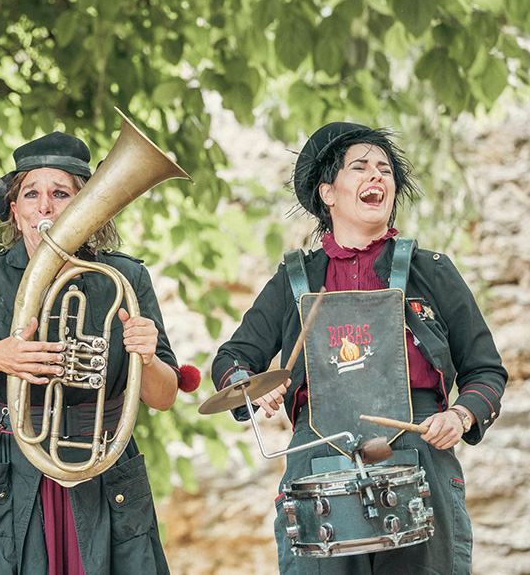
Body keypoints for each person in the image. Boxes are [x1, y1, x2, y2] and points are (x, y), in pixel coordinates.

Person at [212, 122, 507, 575]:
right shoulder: (295, 280)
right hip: (317, 464)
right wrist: (248, 386)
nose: (378, 177)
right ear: (328, 193)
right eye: (361, 167)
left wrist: (461, 414)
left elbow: (485, 371)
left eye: (385, 170)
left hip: (419, 458)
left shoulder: (432, 271)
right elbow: (233, 359)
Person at [0, 131, 184, 574]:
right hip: (6, 467)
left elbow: (165, 396)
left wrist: (147, 356)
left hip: (101, 469)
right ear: (15, 211)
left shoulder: (126, 277)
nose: (44, 206)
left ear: (88, 207)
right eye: (31, 194)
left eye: (61, 194)